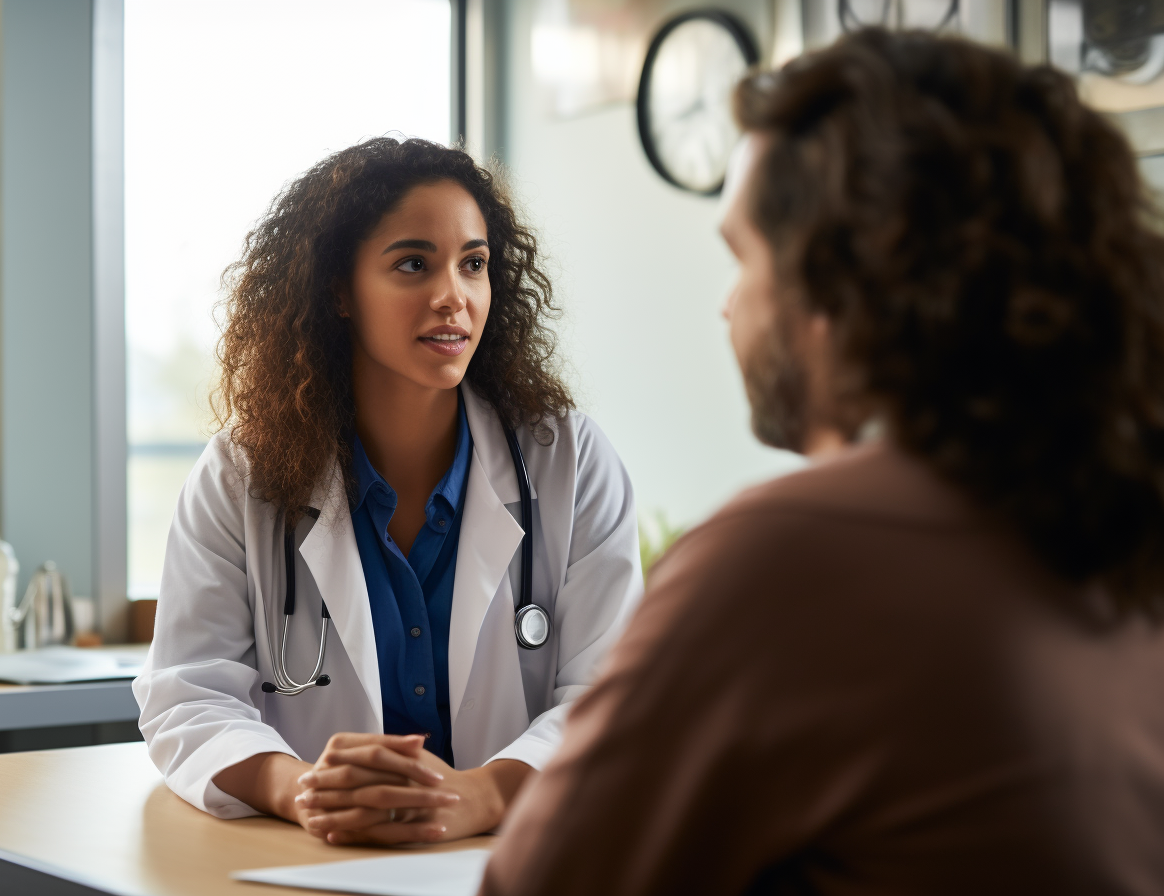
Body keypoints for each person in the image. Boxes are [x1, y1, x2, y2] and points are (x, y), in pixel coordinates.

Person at [481, 28, 1164, 894]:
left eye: (744, 257)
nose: (729, 307)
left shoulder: (794, 551)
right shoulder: (1122, 511)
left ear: (838, 282)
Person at [134, 137, 643, 846]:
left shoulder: (571, 462)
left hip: (513, 863)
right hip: (320, 871)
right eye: (413, 264)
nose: (452, 298)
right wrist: (302, 788)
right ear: (339, 290)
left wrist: (485, 796)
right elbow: (186, 697)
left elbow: (612, 701)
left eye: (473, 264)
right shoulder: (240, 475)